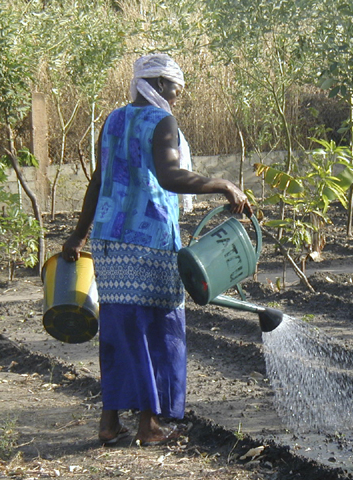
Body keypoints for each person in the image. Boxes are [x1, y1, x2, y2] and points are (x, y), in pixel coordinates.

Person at [62, 54, 250, 446]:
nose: (177, 100)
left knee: (119, 328)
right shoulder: (161, 121)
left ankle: (109, 422)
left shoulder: (113, 120)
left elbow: (99, 180)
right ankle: (148, 426)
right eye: (176, 92)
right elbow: (170, 176)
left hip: (110, 241)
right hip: (149, 242)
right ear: (160, 85)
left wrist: (79, 236)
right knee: (157, 328)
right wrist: (222, 184)